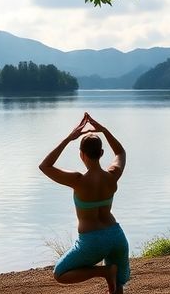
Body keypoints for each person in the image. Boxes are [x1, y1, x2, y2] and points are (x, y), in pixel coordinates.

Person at [39, 112, 130, 294]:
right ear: (102, 153)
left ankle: (104, 271)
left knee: (60, 273)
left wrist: (69, 138)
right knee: (117, 286)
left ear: (81, 154)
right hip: (116, 236)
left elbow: (45, 166)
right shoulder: (113, 175)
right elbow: (120, 152)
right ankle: (110, 275)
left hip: (92, 241)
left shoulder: (78, 180)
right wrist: (104, 130)